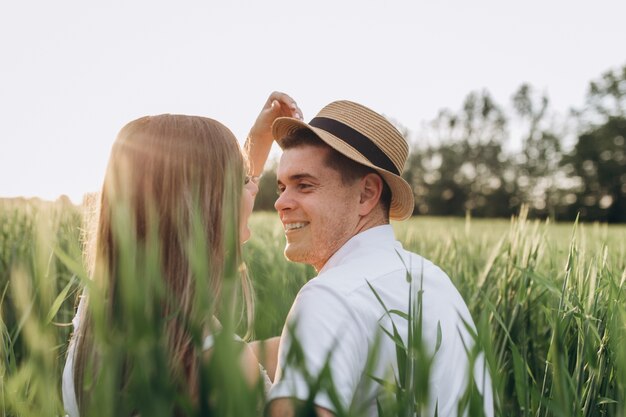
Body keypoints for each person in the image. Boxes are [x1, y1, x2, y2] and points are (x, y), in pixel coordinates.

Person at [62, 93, 301, 416]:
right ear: (206, 211)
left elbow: (174, 192)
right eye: (243, 180)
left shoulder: (98, 314)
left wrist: (255, 143)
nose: (256, 187)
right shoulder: (222, 365)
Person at [264, 100, 494, 417]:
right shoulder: (434, 280)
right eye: (281, 187)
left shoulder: (329, 298)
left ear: (366, 195)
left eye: (304, 185)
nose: (281, 203)